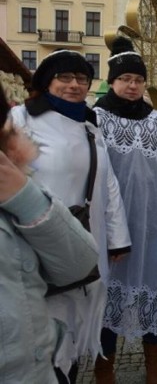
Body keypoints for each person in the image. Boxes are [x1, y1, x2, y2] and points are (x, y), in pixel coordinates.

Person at [10, 50, 132, 384]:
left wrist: (118, 238)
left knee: (80, 317)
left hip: (87, 236)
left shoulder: (90, 125)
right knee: (47, 321)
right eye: (64, 77)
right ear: (46, 82)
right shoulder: (21, 119)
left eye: (81, 79)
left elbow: (108, 186)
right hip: (38, 238)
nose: (74, 85)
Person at [92, 36, 157, 384]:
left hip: (154, 224)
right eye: (125, 80)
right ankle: (104, 365)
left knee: (153, 290)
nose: (132, 86)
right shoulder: (96, 119)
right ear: (112, 81)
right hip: (111, 226)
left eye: (137, 80)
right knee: (107, 295)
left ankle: (154, 360)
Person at [0, 85, 99, 383]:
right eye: (64, 77)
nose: (74, 85)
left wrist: (24, 196)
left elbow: (80, 263)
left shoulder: (14, 174)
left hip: (37, 366)